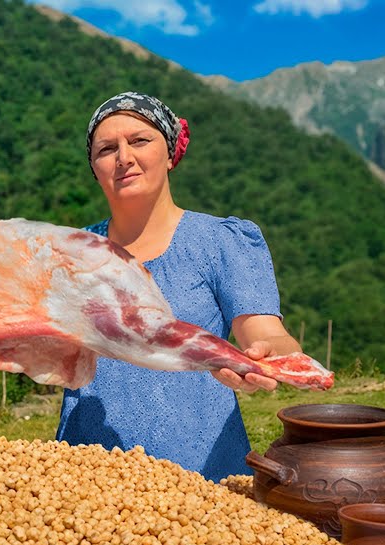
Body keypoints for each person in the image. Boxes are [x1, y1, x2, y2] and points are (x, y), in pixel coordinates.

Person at [55, 91, 303, 481]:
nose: (123, 157)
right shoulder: (72, 253)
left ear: (170, 154)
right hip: (88, 475)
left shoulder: (220, 242)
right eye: (106, 149)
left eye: (139, 140)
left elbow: (266, 332)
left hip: (203, 474)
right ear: (94, 168)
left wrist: (270, 354)